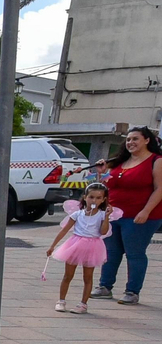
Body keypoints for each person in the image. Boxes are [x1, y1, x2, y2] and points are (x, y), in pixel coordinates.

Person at [92, 127, 162, 304]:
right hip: (113, 215)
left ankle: (132, 291)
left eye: (135, 139)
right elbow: (107, 186)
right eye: (128, 139)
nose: (130, 142)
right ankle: (105, 287)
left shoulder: (156, 160)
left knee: (134, 253)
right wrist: (102, 173)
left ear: (147, 140)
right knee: (111, 251)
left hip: (140, 216)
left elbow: (160, 189)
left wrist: (145, 211)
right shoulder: (120, 161)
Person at [46, 186, 114, 314]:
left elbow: (103, 231)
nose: (94, 200)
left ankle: (83, 304)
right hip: (75, 244)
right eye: (91, 197)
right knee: (68, 275)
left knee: (88, 277)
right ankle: (61, 301)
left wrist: (106, 217)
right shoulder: (78, 214)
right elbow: (64, 230)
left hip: (92, 245)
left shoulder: (101, 215)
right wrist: (53, 246)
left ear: (103, 199)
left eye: (98, 198)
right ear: (85, 197)